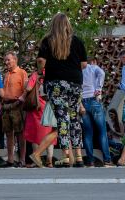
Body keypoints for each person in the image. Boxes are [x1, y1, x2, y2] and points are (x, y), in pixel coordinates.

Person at [38, 13, 87, 167]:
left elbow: (41, 60)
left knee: (62, 120)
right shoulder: (77, 41)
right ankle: (79, 157)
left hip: (56, 84)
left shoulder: (47, 41)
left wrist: (41, 71)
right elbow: (84, 64)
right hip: (75, 84)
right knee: (74, 119)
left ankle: (66, 156)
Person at [23, 67, 56, 167]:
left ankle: (37, 159)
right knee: (50, 132)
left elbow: (28, 88)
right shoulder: (53, 73)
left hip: (37, 106)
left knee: (35, 134)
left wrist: (26, 83)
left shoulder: (36, 74)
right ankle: (49, 160)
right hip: (50, 104)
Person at [81, 56, 110, 167]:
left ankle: (90, 160)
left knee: (88, 133)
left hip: (83, 102)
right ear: (92, 62)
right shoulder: (93, 67)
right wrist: (98, 88)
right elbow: (102, 73)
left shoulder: (78, 70)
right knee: (102, 131)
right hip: (94, 100)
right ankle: (107, 160)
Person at [1, 51, 28, 167]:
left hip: (17, 105)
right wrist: (0, 102)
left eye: (8, 60)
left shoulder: (22, 73)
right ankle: (10, 160)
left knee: (20, 133)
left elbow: (26, 90)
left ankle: (22, 160)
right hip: (5, 105)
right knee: (8, 133)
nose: (6, 62)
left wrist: (21, 100)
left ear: (15, 60)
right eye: (5, 60)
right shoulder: (6, 74)